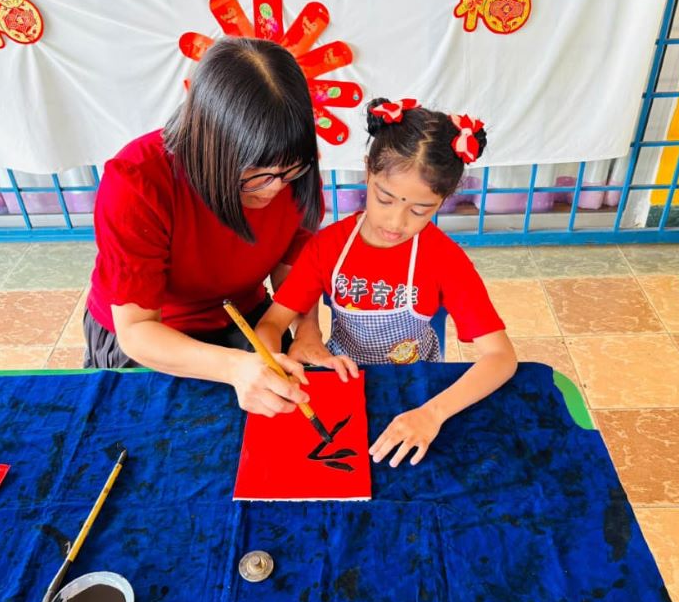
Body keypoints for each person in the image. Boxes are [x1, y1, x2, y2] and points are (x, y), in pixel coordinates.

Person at [255, 97, 518, 467]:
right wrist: (276, 362)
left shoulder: (444, 258)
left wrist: (433, 413)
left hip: (417, 394)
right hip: (342, 381)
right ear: (367, 172)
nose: (396, 222)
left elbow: (501, 358)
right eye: (385, 198)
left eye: (419, 210)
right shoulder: (328, 246)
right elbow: (270, 324)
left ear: (442, 201)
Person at [84, 37, 336, 417]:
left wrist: (308, 331)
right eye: (258, 174)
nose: (275, 189)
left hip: (246, 318)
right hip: (155, 337)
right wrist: (234, 366)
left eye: (289, 171)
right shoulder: (138, 182)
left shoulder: (293, 173)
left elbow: (293, 271)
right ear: (211, 145)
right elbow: (136, 330)